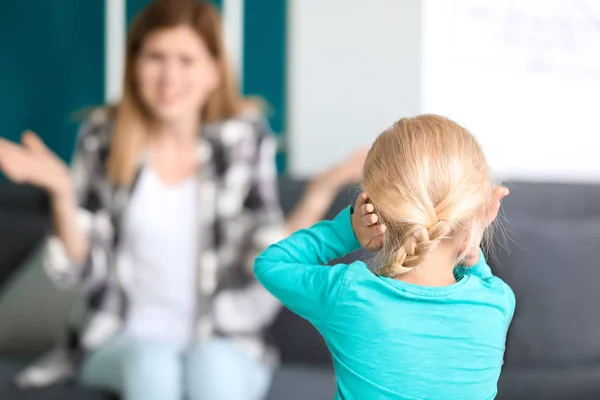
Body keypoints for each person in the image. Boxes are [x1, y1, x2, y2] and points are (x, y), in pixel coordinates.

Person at [0, 1, 366, 399]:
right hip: (118, 338)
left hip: (225, 340)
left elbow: (264, 257)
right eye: (155, 57)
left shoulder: (243, 138)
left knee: (214, 368)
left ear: (213, 71)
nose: (169, 76)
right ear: (134, 65)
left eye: (186, 60)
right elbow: (84, 270)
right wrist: (61, 192)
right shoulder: (102, 137)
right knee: (154, 367)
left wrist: (319, 190)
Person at [255, 114, 516, 400]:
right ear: (484, 210)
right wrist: (471, 240)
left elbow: (270, 264)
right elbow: (478, 274)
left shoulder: (350, 293)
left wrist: (347, 231)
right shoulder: (497, 302)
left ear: (376, 208)